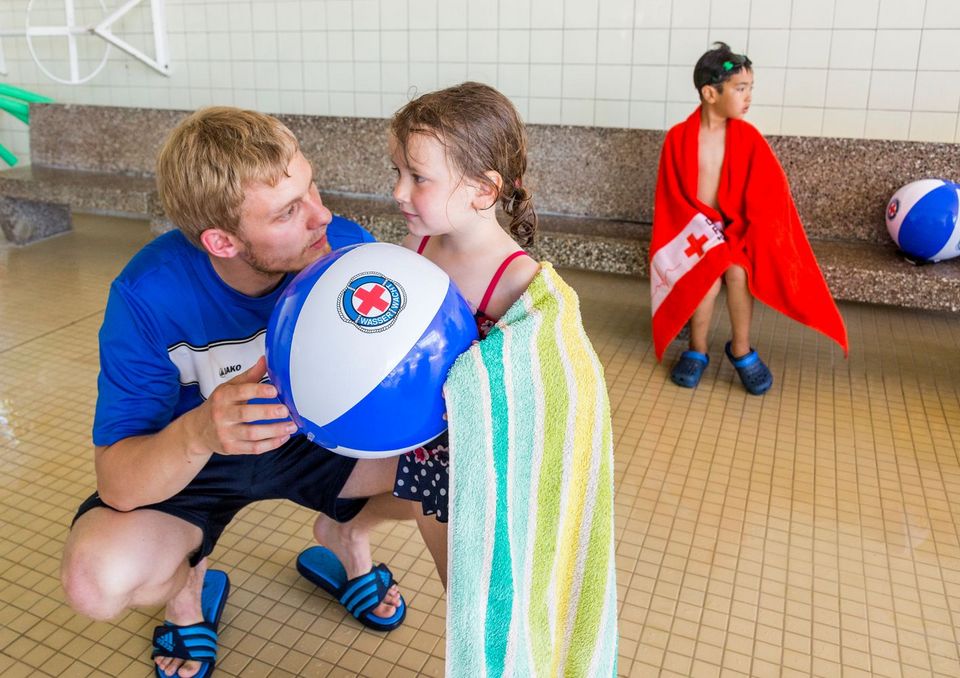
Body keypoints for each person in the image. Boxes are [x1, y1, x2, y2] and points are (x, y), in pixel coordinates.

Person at [60, 107, 411, 678]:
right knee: (94, 583)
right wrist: (200, 429)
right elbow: (118, 481)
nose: (322, 215)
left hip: (314, 445)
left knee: (460, 467)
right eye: (288, 211)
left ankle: (347, 534)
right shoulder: (147, 296)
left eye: (311, 187)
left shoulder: (345, 252)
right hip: (196, 458)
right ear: (222, 241)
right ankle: (186, 590)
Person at [387, 83, 619, 674]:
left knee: (487, 588)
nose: (399, 193)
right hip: (427, 458)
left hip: (481, 472)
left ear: (484, 190)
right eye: (396, 172)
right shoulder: (418, 246)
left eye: (418, 178)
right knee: (460, 593)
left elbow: (558, 386)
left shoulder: (518, 283)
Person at [650, 42, 848, 394]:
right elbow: (671, 201)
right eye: (740, 89)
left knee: (740, 273)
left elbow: (771, 197)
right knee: (707, 279)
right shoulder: (678, 139)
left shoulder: (749, 138)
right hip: (693, 235)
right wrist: (705, 234)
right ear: (710, 93)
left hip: (737, 234)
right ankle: (697, 350)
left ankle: (740, 348)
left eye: (750, 89)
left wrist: (746, 231)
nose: (748, 97)